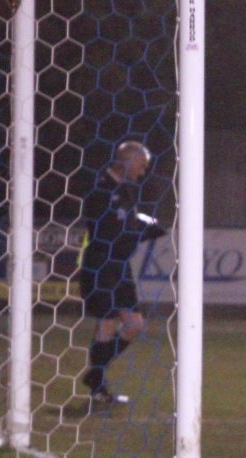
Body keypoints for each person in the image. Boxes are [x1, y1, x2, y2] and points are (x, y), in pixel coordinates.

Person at [77, 140, 166, 405]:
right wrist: (140, 229)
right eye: (141, 166)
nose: (142, 172)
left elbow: (127, 221)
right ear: (127, 161)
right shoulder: (100, 188)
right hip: (100, 264)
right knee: (107, 321)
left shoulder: (126, 190)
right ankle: (98, 386)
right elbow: (109, 230)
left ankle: (95, 374)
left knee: (134, 324)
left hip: (119, 265)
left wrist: (146, 225)